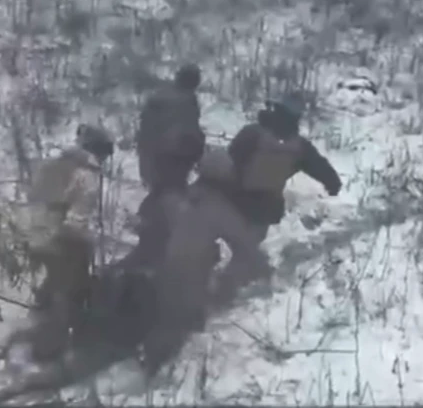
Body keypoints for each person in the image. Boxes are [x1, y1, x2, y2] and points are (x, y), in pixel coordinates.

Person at [143, 98, 342, 373]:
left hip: (231, 202)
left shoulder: (252, 134)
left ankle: (196, 296)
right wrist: (333, 183)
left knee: (199, 253)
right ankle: (222, 291)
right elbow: (321, 168)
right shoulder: (300, 147)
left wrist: (200, 189)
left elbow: (228, 164)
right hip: (261, 211)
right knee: (245, 256)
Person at [24, 124, 111, 362]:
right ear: (100, 151)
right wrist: (87, 246)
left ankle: (37, 324)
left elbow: (33, 196)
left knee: (53, 284)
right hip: (61, 238)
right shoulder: (87, 175)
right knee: (68, 290)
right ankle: (48, 350)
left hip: (34, 231)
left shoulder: (55, 163)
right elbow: (77, 221)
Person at [128, 64, 206, 267]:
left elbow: (145, 133)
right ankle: (158, 245)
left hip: (151, 158)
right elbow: (190, 134)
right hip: (174, 161)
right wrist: (198, 152)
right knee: (170, 198)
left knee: (160, 194)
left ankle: (148, 234)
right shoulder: (187, 101)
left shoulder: (158, 97)